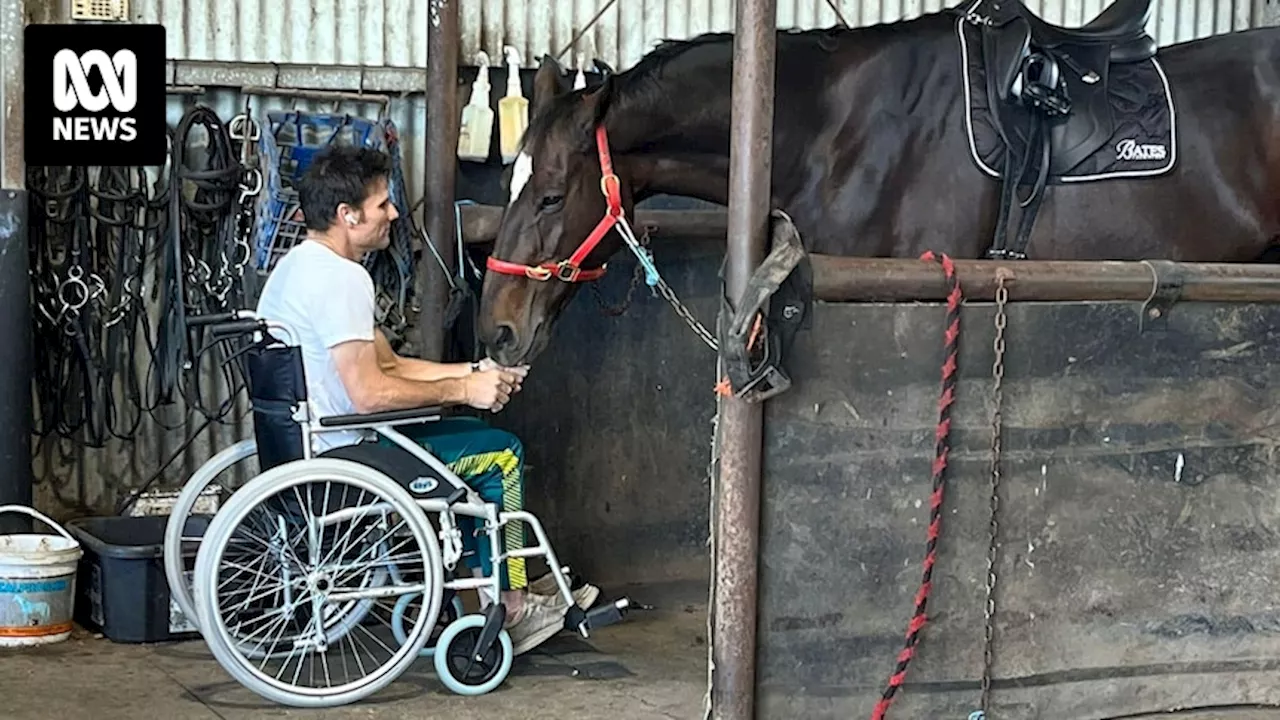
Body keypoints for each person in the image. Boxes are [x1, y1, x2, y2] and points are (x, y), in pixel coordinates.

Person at [254, 144, 597, 656]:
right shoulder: (341, 280)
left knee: (475, 443)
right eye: (382, 204)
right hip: (344, 453)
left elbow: (387, 364)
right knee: (500, 453)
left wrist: (475, 371)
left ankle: (483, 589)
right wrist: (463, 392)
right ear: (348, 216)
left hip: (311, 443)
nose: (393, 213)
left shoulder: (298, 269)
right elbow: (369, 394)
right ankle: (512, 602)